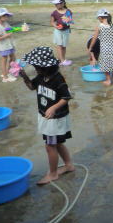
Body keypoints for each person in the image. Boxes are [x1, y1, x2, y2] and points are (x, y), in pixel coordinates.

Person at [18, 46, 74, 185]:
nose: (35, 68)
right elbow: (32, 87)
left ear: (46, 67)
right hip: (47, 117)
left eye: (37, 66)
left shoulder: (58, 79)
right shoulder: (41, 77)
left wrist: (54, 107)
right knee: (58, 143)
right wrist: (25, 77)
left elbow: (66, 96)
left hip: (55, 118)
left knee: (50, 146)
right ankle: (69, 165)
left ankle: (53, 174)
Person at [88, 8, 113, 86]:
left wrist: (90, 47)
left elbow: (94, 38)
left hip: (104, 49)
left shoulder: (99, 27)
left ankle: (109, 80)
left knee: (104, 65)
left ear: (100, 17)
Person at [0, 7, 17, 82]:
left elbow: (10, 29)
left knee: (13, 58)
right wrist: (7, 35)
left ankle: (8, 72)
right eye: (5, 16)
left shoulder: (5, 23)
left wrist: (21, 28)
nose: (7, 17)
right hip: (3, 46)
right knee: (4, 60)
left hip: (9, 44)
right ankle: (5, 77)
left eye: (7, 16)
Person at [50, 0, 73, 66]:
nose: (56, 5)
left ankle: (63, 59)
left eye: (57, 4)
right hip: (58, 31)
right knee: (59, 45)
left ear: (63, 3)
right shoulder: (54, 12)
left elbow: (70, 21)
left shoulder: (68, 11)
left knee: (64, 46)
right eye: (55, 4)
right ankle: (62, 60)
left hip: (66, 31)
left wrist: (69, 20)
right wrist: (55, 26)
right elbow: (52, 22)